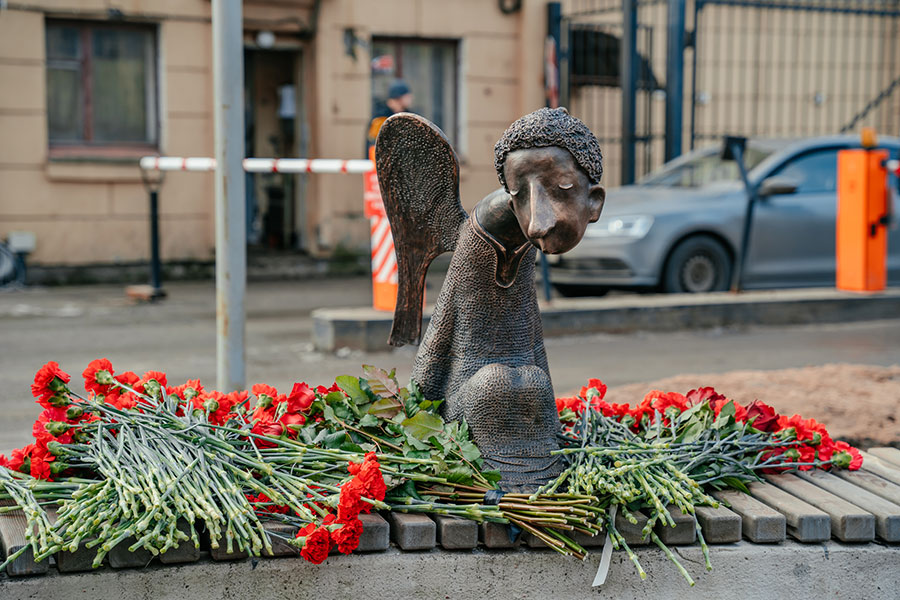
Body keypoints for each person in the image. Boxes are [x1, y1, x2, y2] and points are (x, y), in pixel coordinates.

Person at [376, 108, 605, 490]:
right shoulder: (479, 241)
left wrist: (550, 422)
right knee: (497, 383)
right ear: (510, 197)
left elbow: (531, 335)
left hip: (516, 410)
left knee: (529, 381)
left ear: (594, 201)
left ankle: (533, 465)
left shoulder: (521, 238)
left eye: (562, 190)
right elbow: (441, 333)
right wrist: (413, 420)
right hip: (468, 410)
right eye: (521, 196)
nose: (538, 222)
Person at [367, 80, 414, 155]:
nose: (410, 98)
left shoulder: (409, 116)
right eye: (407, 96)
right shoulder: (380, 118)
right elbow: (374, 146)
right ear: (399, 98)